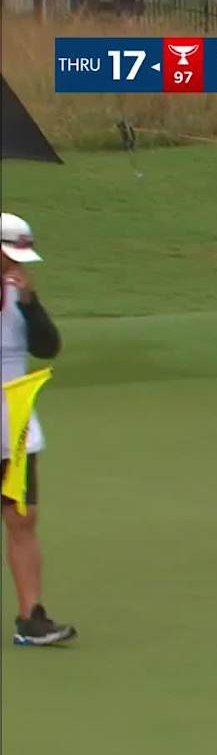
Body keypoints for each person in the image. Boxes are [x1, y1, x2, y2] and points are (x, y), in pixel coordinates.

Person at [2, 211, 75, 646]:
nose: (16, 266)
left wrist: (30, 304)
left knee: (23, 518)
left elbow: (48, 347)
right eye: (9, 257)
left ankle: (31, 618)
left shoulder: (21, 297)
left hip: (12, 423)